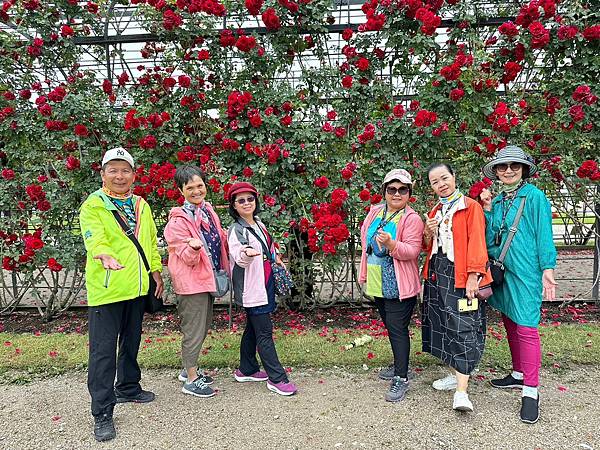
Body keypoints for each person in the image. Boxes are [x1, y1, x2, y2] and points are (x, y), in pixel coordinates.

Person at [79, 147, 163, 442]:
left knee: (131, 341)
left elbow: (150, 241)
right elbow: (94, 236)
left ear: (133, 174)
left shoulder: (141, 204)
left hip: (137, 288)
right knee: (102, 353)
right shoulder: (94, 205)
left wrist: (155, 272)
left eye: (124, 170)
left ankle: (128, 386)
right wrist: (102, 254)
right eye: (112, 170)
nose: (119, 175)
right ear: (103, 174)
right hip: (108, 288)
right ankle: (102, 411)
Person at [480, 145, 557, 424]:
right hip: (503, 272)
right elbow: (491, 239)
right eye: (503, 166)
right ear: (496, 172)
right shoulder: (498, 201)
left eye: (514, 166)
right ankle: (518, 374)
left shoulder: (535, 197)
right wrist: (487, 210)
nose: (508, 170)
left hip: (526, 273)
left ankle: (531, 392)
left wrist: (548, 268)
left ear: (524, 169)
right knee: (510, 321)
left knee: (526, 326)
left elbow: (543, 235)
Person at [422, 162, 493, 412]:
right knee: (442, 322)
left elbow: (477, 242)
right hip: (437, 272)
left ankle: (462, 392)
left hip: (462, 273)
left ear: (454, 177)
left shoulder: (470, 207)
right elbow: (427, 245)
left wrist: (474, 275)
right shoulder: (434, 211)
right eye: (434, 182)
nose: (441, 184)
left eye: (444, 178)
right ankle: (455, 374)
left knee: (463, 324)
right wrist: (428, 233)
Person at [358, 169, 424, 402]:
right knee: (391, 326)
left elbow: (413, 251)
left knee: (397, 329)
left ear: (409, 193)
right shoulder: (376, 211)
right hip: (378, 282)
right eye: (392, 189)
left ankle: (401, 377)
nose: (397, 194)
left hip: (399, 284)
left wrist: (392, 243)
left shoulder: (412, 219)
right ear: (384, 191)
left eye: (402, 190)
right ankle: (400, 365)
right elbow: (366, 240)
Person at [164, 165, 229, 399]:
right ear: (181, 190)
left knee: (203, 327)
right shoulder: (178, 220)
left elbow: (218, 237)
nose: (196, 190)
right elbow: (186, 257)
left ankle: (188, 370)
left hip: (206, 279)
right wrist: (192, 247)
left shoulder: (208, 210)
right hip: (191, 283)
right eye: (189, 187)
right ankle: (191, 380)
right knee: (194, 330)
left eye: (199, 185)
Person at [226, 181, 297, 396]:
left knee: (253, 327)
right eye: (241, 200)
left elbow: (269, 246)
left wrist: (276, 258)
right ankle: (277, 378)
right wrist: (247, 254)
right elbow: (238, 256)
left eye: (250, 199)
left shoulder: (258, 223)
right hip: (252, 288)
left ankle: (246, 369)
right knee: (264, 332)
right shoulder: (236, 230)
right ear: (234, 205)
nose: (247, 203)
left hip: (266, 284)